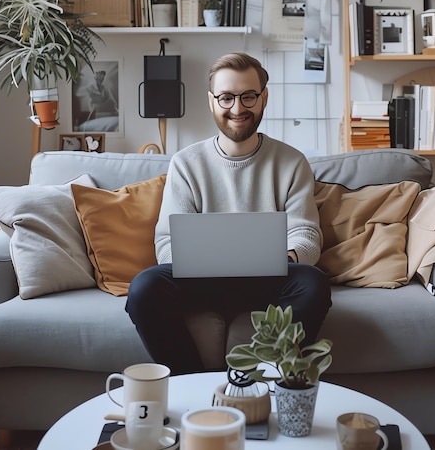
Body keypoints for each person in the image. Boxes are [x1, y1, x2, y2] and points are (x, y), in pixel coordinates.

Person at [126, 52, 332, 374]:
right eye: (226, 98)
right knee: (144, 288)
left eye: (248, 96)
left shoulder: (292, 162)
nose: (237, 109)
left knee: (313, 284)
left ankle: (266, 381)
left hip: (269, 281)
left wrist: (286, 259)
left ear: (263, 98)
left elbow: (306, 234)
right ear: (212, 101)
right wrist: (190, 263)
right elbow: (166, 241)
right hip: (199, 284)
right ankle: (191, 381)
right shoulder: (185, 163)